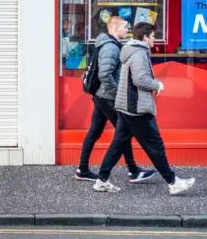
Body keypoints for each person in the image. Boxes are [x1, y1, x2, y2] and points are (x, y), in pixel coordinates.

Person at [93, 22, 196, 196]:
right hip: (136, 108)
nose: (154, 41)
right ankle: (172, 182)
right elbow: (140, 79)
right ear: (145, 37)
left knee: (118, 145)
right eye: (153, 37)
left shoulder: (131, 50)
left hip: (127, 106)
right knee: (155, 145)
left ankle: (102, 180)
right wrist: (158, 84)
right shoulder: (139, 53)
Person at [75, 16, 157, 183]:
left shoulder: (108, 44)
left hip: (101, 95)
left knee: (95, 132)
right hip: (107, 97)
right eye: (125, 27)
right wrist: (119, 92)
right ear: (115, 28)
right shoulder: (111, 47)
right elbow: (105, 74)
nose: (127, 30)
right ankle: (133, 170)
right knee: (123, 132)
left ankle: (82, 169)